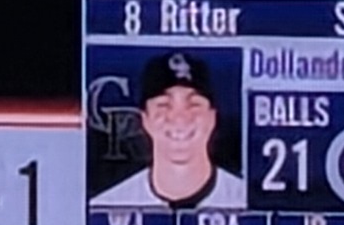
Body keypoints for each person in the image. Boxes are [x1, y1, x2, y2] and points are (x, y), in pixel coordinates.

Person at [95, 48, 248, 212]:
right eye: (163, 104)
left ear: (212, 118)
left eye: (194, 104)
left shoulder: (247, 201)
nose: (179, 118)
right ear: (145, 119)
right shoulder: (106, 206)